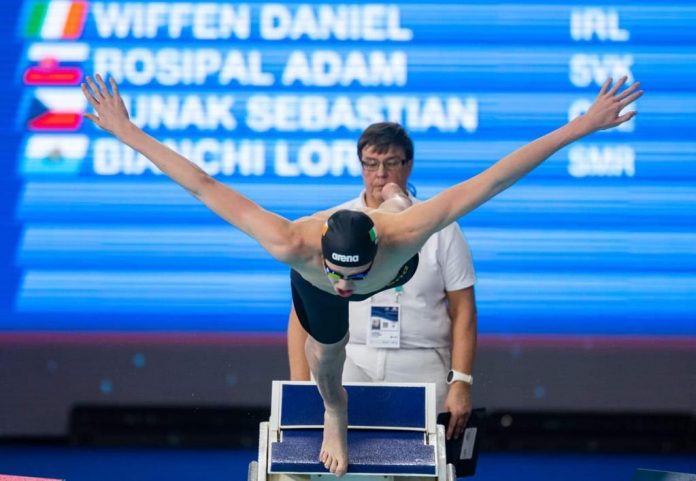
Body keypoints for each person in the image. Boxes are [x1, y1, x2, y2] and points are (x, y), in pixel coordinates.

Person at [81, 74, 642, 477]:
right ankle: (334, 412)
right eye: (342, 275)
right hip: (312, 288)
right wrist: (125, 130)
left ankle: (394, 199)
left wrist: (584, 125)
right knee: (328, 360)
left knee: (402, 210)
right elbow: (202, 183)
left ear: (377, 251)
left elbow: (496, 177)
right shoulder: (291, 240)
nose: (350, 287)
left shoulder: (404, 233)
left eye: (357, 276)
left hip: (393, 236)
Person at [287, 122, 478, 443]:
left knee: (422, 466)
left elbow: (464, 311)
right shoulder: (333, 225)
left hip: (421, 360)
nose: (381, 174)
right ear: (361, 165)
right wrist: (299, 387)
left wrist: (460, 381)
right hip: (353, 357)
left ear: (409, 165)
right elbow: (304, 314)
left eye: (391, 163)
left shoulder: (440, 226)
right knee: (345, 467)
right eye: (371, 163)